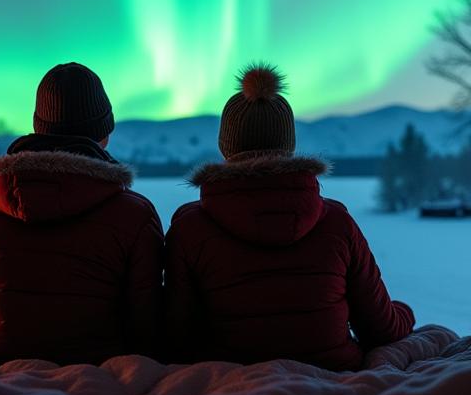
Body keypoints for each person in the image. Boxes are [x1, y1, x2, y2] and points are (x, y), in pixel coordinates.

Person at [164, 63, 414, 370]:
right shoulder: (337, 223)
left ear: (226, 146)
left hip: (229, 385)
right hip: (333, 380)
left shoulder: (189, 229)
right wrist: (405, 312)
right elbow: (382, 329)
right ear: (289, 145)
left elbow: (176, 338)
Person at [0, 62, 163, 365]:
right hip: (93, 381)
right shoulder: (135, 217)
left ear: (39, 126)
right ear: (104, 132)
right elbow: (148, 336)